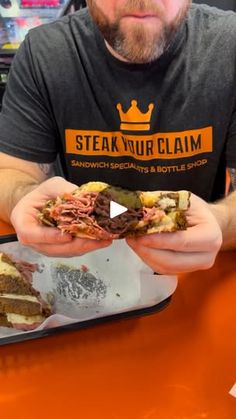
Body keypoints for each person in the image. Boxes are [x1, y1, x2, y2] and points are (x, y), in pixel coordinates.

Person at [0, 0, 235, 274]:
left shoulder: (229, 46)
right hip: (80, 267)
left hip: (198, 274)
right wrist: (26, 201)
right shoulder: (45, 52)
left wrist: (221, 221)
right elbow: (10, 172)